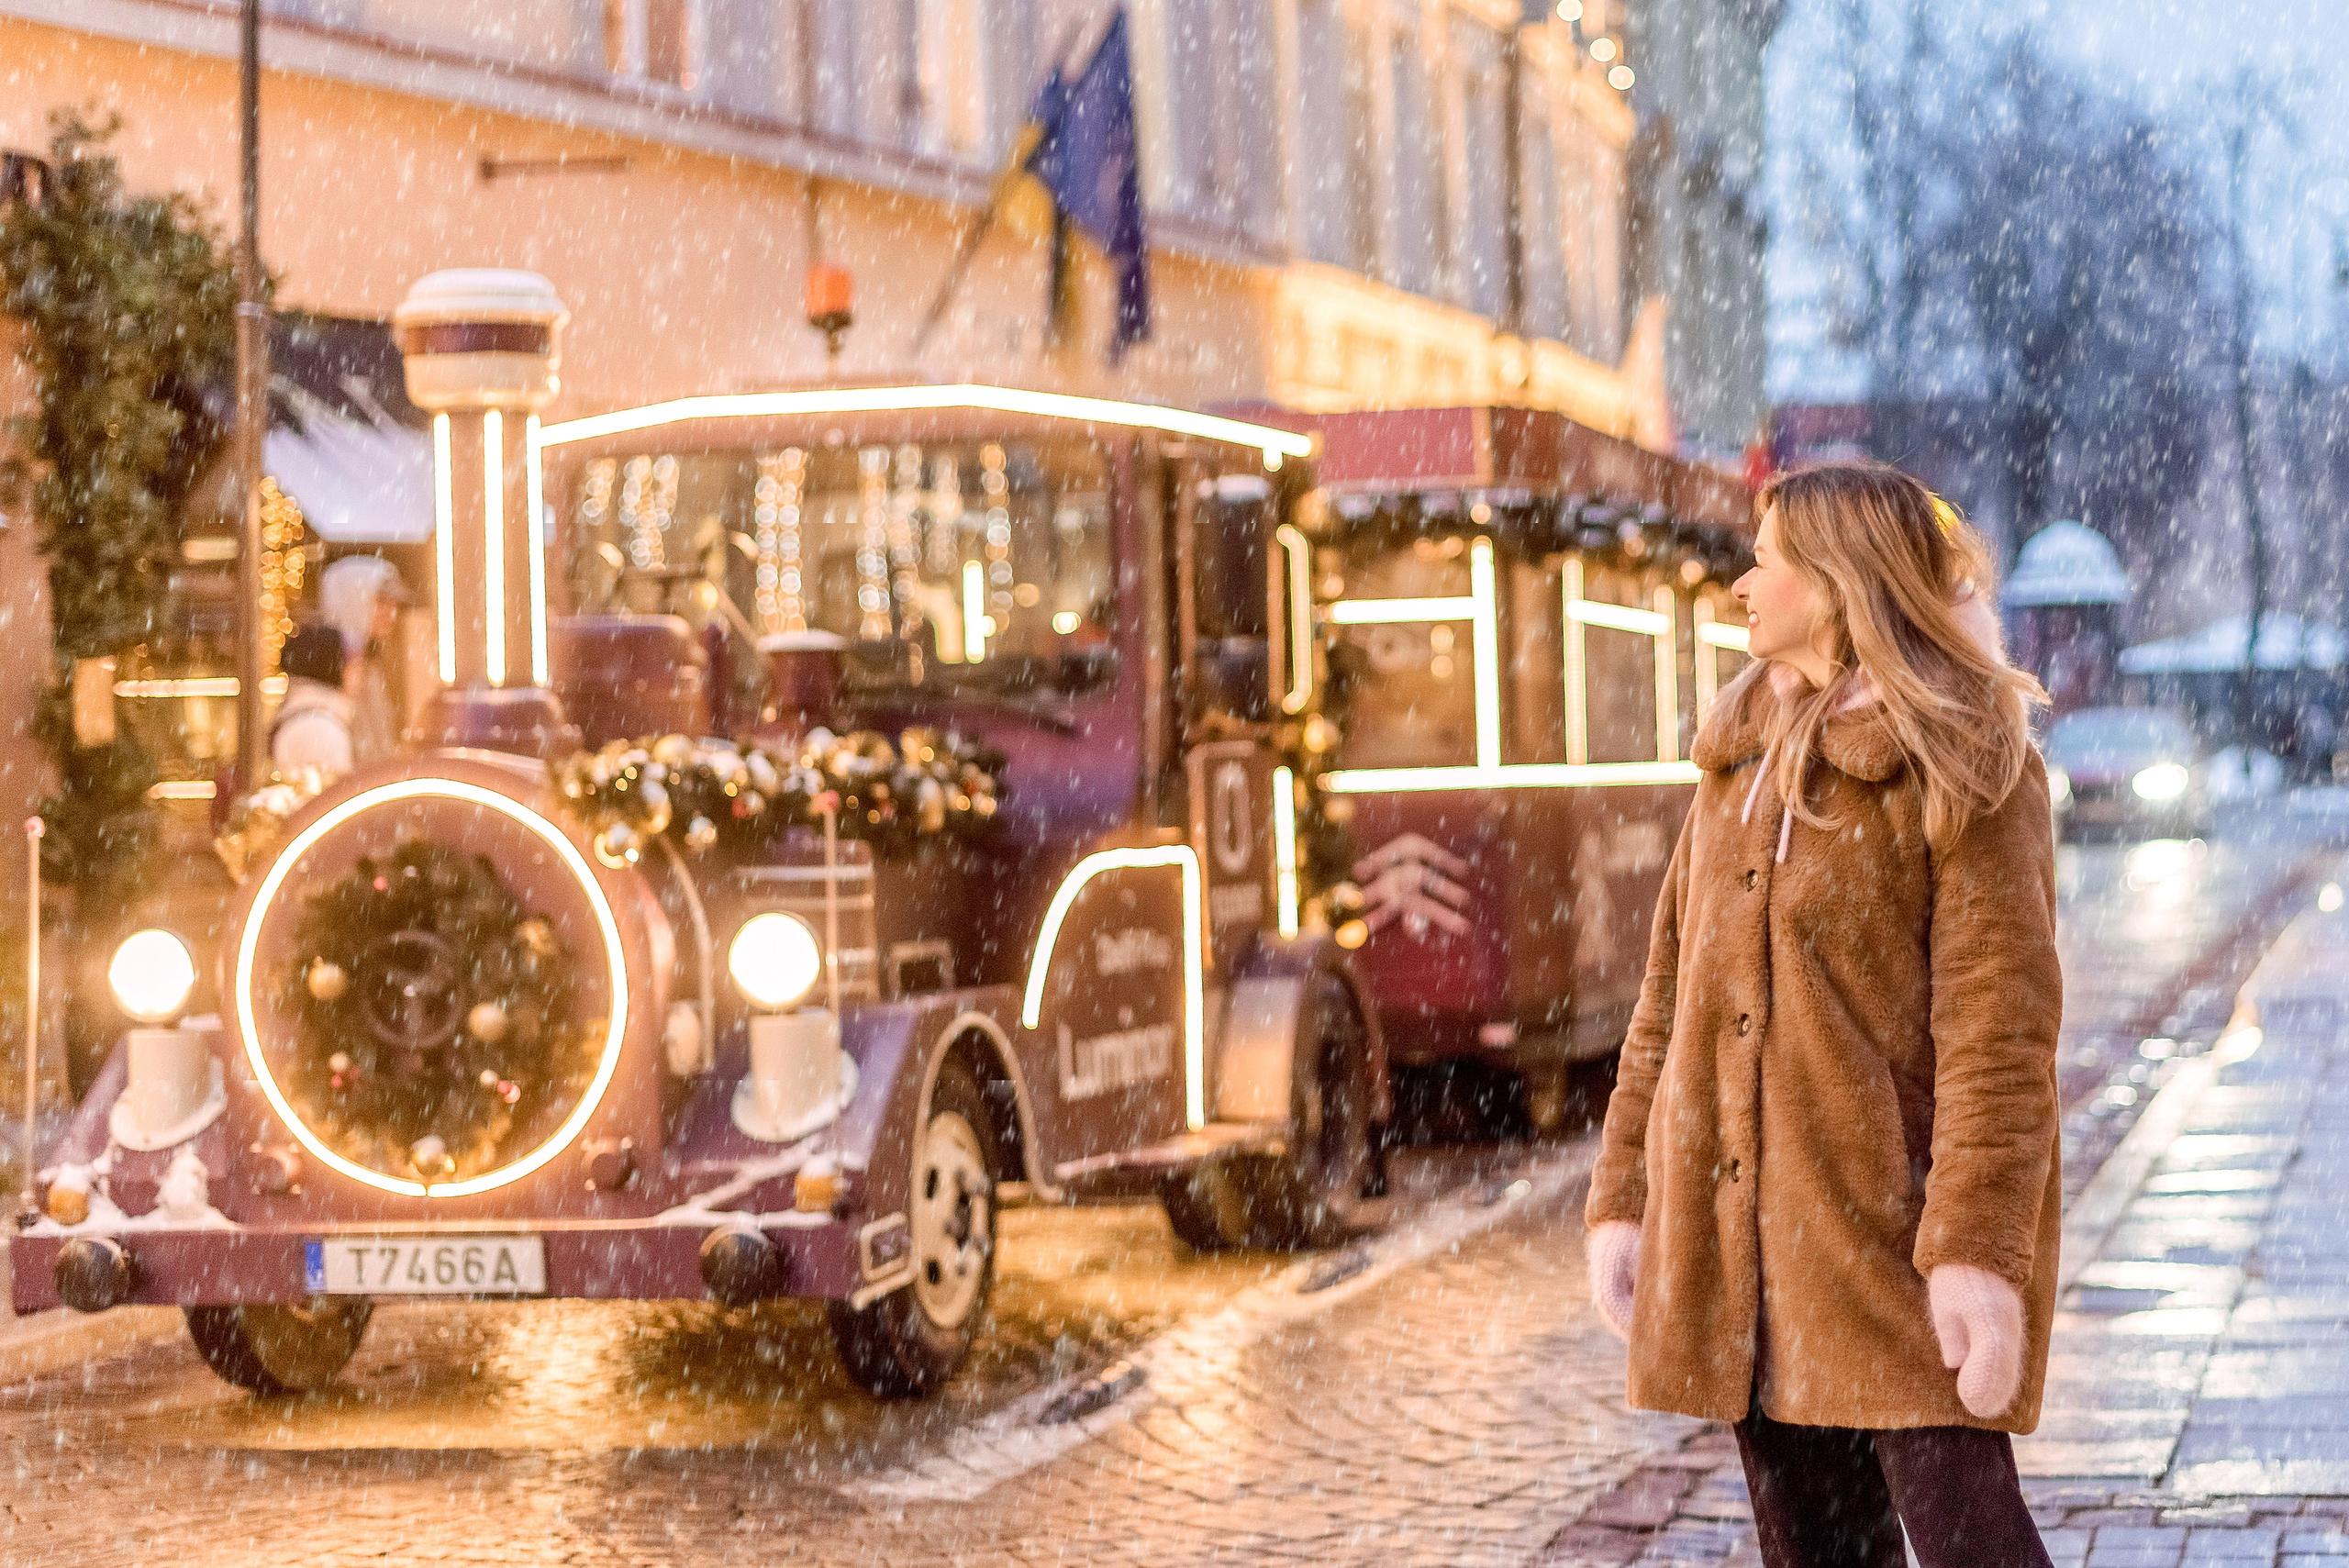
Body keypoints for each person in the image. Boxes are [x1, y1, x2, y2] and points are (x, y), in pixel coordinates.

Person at [1584, 462, 2061, 1568]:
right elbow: (1667, 1007)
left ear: (1840, 584)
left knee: (1974, 1546)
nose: (1739, 581)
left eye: (1767, 558)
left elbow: (1999, 1036)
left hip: (1892, 1254)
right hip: (1750, 1261)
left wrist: (1975, 1252)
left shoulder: (1966, 763)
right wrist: (1626, 1195)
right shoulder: (1733, 768)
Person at [318, 553, 412, 765]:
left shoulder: (372, 662)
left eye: (394, 604)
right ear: (352, 598)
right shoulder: (328, 668)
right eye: (381, 601)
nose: (392, 613)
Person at [271, 624, 355, 783]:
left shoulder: (309, 718)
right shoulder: (321, 729)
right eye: (348, 661)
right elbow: (333, 800)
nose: (356, 670)